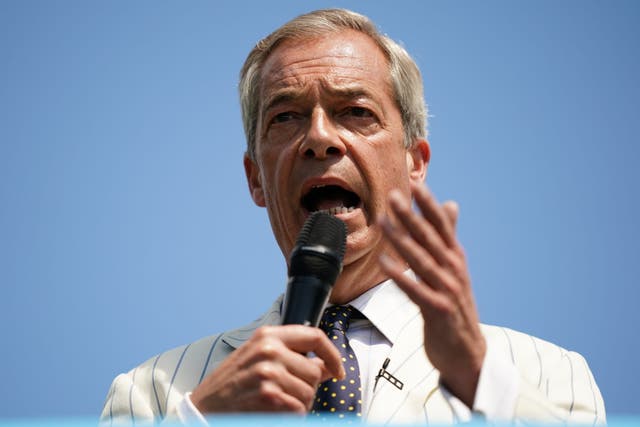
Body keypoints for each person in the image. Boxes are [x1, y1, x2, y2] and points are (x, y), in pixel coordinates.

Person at [101, 8, 605, 425]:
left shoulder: (547, 374)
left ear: (415, 163)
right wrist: (205, 419)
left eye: (355, 111)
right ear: (255, 178)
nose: (319, 138)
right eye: (286, 116)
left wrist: (475, 376)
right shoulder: (154, 393)